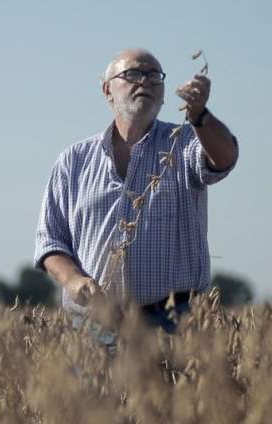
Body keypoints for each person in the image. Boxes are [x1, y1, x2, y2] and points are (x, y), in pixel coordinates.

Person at [34, 49, 238, 333]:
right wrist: (73, 280)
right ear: (107, 91)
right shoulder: (73, 160)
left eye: (154, 76)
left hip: (174, 322)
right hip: (96, 322)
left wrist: (200, 116)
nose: (145, 82)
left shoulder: (185, 142)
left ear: (165, 93)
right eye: (132, 74)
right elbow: (50, 242)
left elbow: (225, 158)